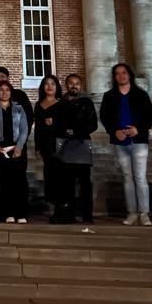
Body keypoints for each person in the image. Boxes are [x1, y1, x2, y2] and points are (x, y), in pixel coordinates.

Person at [100, 63, 152, 226]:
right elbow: (105, 117)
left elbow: (150, 116)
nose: (121, 76)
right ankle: (132, 213)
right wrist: (113, 130)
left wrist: (138, 129)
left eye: (124, 73)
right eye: (117, 74)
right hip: (120, 141)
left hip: (138, 140)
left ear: (129, 75)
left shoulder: (141, 95)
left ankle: (144, 213)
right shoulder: (109, 96)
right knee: (127, 177)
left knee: (140, 177)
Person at [55, 74, 98, 224]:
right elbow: (57, 124)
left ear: (80, 86)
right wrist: (64, 131)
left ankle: (87, 214)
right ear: (66, 85)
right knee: (68, 183)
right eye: (71, 83)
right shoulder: (60, 104)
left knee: (85, 182)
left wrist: (77, 131)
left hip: (82, 144)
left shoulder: (86, 103)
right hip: (65, 146)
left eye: (77, 83)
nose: (74, 86)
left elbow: (93, 124)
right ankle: (70, 213)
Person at [0, 80, 29, 224]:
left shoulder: (19, 108)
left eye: (7, 90)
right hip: (0, 149)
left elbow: (24, 129)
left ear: (11, 92)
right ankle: (6, 213)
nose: (4, 92)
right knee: (4, 182)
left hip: (17, 148)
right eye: (1, 90)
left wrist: (20, 146)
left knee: (19, 181)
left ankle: (21, 213)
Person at [34, 75, 64, 222]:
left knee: (60, 177)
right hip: (45, 145)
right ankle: (54, 206)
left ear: (57, 87)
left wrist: (54, 122)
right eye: (46, 84)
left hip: (59, 145)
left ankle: (60, 209)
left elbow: (67, 125)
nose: (49, 86)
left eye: (52, 84)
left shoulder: (62, 104)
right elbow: (38, 128)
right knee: (49, 176)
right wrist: (37, 147)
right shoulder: (39, 105)